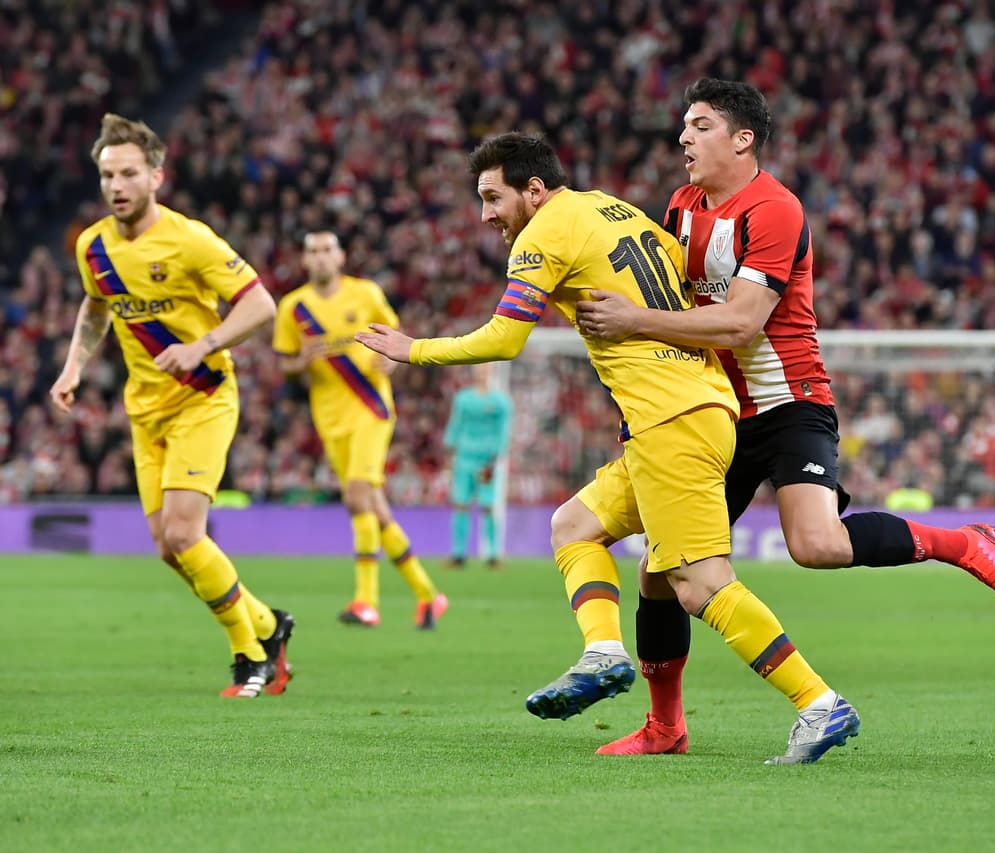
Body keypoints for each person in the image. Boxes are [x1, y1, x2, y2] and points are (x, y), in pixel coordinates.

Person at [358, 131, 859, 764]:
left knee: (699, 584)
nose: (486, 215)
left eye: (493, 198)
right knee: (574, 525)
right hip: (695, 404)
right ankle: (603, 654)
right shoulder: (614, 208)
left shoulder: (545, 232)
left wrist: (416, 349)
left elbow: (505, 338)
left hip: (670, 418)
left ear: (533, 190)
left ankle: (818, 703)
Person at [574, 78, 995, 756]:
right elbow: (671, 299)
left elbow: (739, 322)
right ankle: (665, 727)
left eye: (699, 126)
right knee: (659, 575)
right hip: (715, 416)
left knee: (814, 544)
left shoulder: (776, 210)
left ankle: (965, 543)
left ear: (742, 139)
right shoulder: (680, 205)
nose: (682, 138)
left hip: (790, 402)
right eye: (684, 126)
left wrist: (629, 318)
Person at [50, 113, 294, 698]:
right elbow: (96, 306)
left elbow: (261, 306)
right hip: (145, 410)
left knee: (186, 533)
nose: (116, 186)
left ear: (156, 176)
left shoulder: (191, 240)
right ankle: (269, 623)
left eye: (129, 173)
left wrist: (204, 344)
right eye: (108, 174)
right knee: (168, 547)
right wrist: (74, 365)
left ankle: (250, 653)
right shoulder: (93, 246)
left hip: (203, 398)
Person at [273, 230, 448, 630]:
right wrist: (301, 360)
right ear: (305, 260)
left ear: (340, 257)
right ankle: (428, 594)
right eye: (312, 252)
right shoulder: (294, 308)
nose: (319, 258)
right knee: (374, 508)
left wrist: (394, 361)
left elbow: (395, 337)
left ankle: (366, 602)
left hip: (370, 407)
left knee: (356, 497)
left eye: (326, 251)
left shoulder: (365, 293)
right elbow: (285, 364)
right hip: (329, 418)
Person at [444, 363, 513, 568]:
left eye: (486, 369)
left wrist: (498, 454)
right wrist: (450, 447)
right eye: (479, 369)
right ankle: (458, 554)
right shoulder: (463, 399)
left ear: (491, 373)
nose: (482, 373)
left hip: (486, 461)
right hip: (464, 458)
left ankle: (493, 555)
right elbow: (456, 424)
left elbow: (503, 430)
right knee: (461, 504)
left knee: (488, 506)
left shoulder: (500, 402)